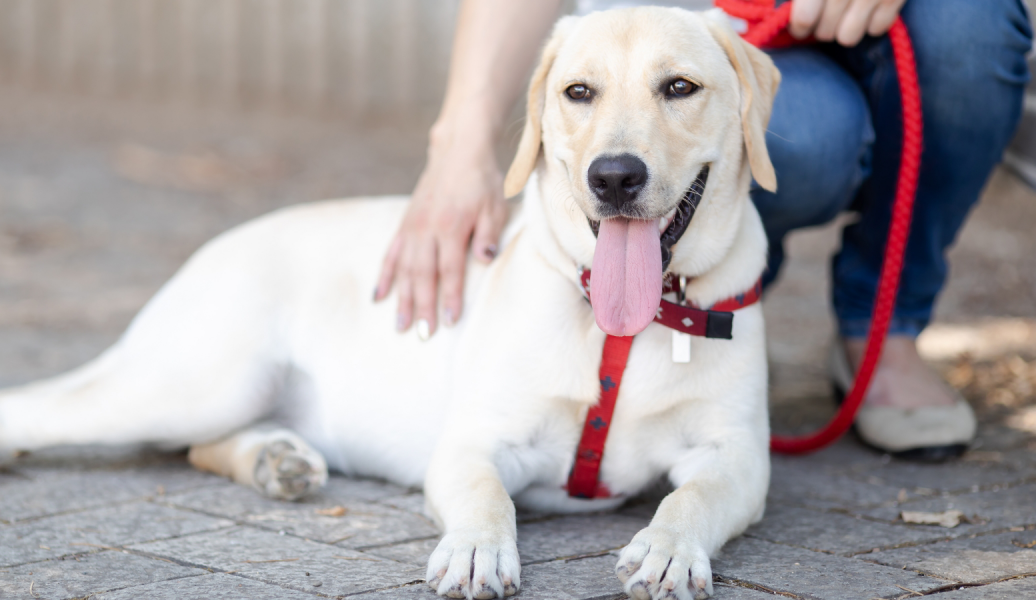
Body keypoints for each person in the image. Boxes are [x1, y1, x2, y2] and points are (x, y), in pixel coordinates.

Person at [373, 0, 1032, 460]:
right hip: (688, 25)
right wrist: (459, 143)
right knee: (808, 137)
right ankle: (706, 312)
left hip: (885, 18)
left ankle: (884, 328)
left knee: (972, 23)